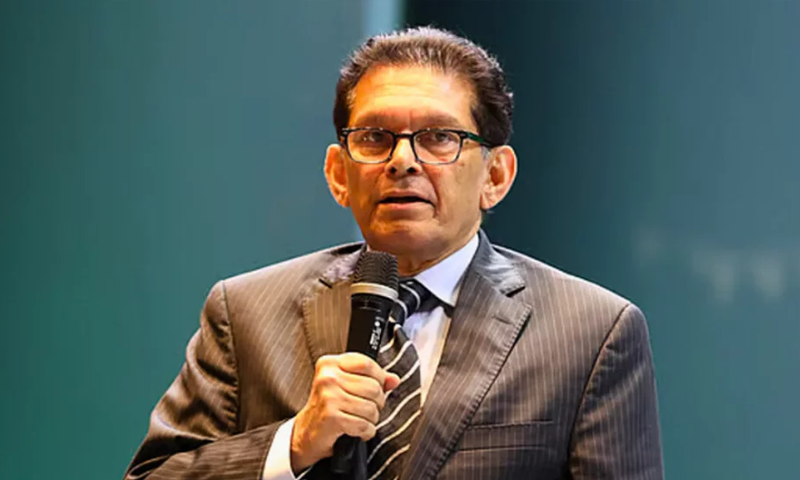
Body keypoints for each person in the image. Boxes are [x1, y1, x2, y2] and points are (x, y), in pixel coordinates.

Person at [125, 27, 663, 480]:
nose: (402, 160)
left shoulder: (592, 333)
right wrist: (294, 443)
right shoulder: (245, 314)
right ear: (339, 174)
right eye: (375, 137)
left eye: (438, 137)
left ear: (495, 176)